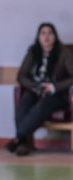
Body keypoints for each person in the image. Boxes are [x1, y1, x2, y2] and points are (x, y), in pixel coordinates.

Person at [7, 23, 73, 156]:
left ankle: (19, 138)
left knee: (43, 105)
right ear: (38, 37)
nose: (46, 36)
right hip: (36, 90)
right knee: (24, 104)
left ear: (55, 36)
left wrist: (53, 87)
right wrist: (34, 86)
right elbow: (21, 76)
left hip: (58, 93)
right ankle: (22, 144)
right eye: (43, 33)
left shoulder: (64, 53)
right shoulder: (33, 52)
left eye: (50, 33)